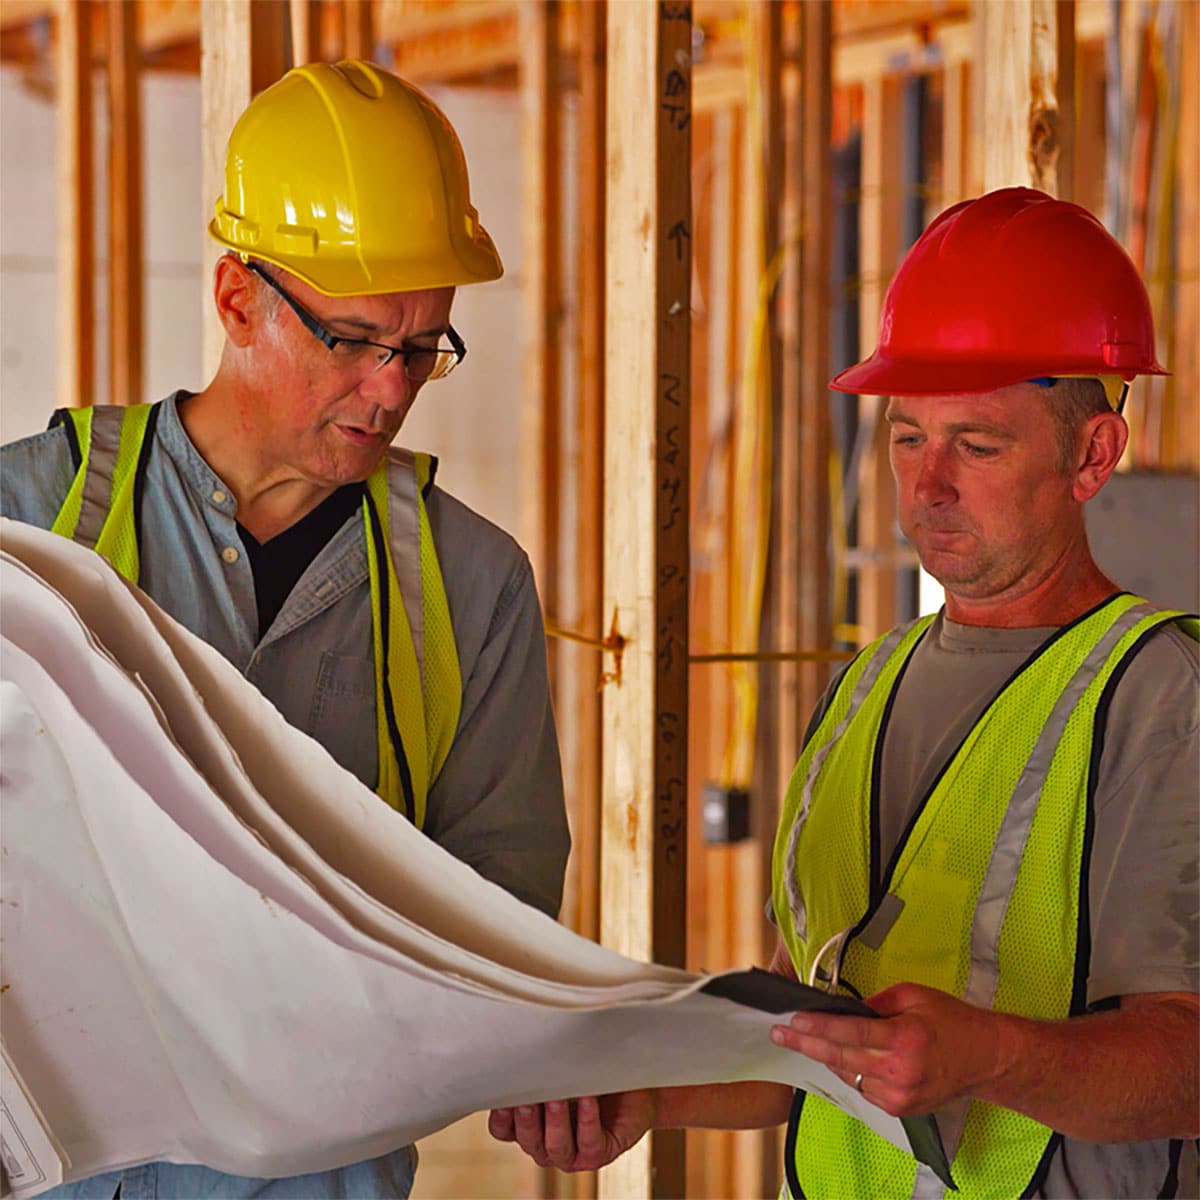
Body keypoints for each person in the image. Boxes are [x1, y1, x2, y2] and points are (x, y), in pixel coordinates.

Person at [488, 187, 1199, 1197]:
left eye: (977, 445)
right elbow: (808, 1037)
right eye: (908, 438)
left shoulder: (1158, 697)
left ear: (1091, 455)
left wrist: (991, 1057)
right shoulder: (864, 687)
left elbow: (1186, 1067)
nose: (927, 484)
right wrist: (649, 1097)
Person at [1, 60, 570, 1199]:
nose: (391, 391)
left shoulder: (472, 587)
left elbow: (498, 923)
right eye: (352, 340)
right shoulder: (26, 524)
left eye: (422, 348)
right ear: (236, 299)